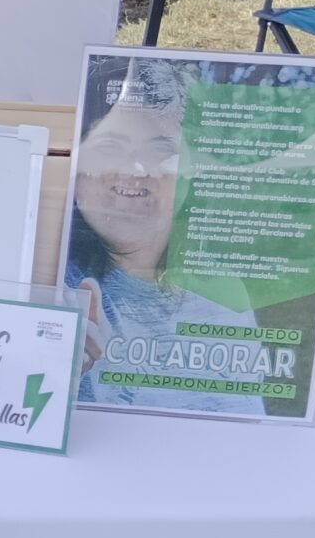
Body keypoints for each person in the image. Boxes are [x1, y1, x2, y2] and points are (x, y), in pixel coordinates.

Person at [66, 60, 265, 417]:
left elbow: (243, 428)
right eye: (111, 146)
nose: (135, 169)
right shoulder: (46, 275)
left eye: (161, 151)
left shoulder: (222, 289)